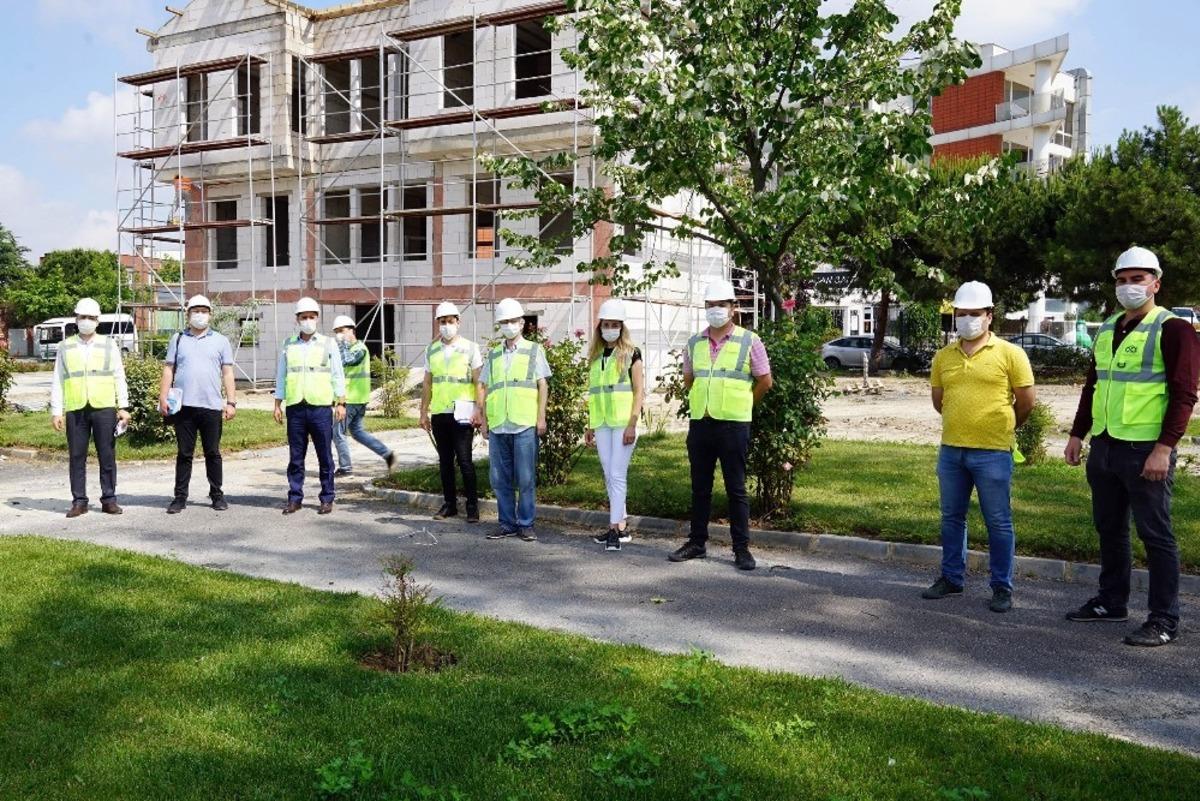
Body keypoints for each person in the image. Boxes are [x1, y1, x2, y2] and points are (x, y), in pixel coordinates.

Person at [1064, 246, 1199, 647]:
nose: (1128, 287)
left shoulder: (1174, 329)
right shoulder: (1108, 327)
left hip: (1145, 450)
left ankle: (1163, 620)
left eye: (1137, 279)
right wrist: (1077, 434)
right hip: (1105, 445)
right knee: (1110, 529)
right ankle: (1112, 601)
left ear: (1155, 283)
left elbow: (1184, 395)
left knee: (1156, 535)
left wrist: (1164, 448)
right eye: (1122, 280)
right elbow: (1093, 386)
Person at [922, 281, 1035, 613]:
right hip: (952, 451)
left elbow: (1026, 402)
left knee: (998, 521)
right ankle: (951, 578)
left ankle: (1001, 586)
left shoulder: (1010, 354)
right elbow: (940, 401)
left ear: (989, 315)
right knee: (951, 518)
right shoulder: (943, 357)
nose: (967, 319)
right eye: (962, 313)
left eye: (975, 313)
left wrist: (1004, 426)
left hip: (993, 452)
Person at [669, 279, 772, 571]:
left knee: (736, 489)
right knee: (700, 488)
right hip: (701, 423)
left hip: (733, 425)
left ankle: (741, 549)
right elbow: (689, 379)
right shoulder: (694, 343)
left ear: (733, 308)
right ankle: (696, 543)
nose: (715, 309)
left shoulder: (749, 341)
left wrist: (745, 403)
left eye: (721, 305)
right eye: (710, 305)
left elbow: (765, 381)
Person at [473, 298, 550, 542]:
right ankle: (506, 523)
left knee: (525, 478)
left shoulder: (534, 350)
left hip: (524, 423)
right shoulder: (494, 354)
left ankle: (526, 524)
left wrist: (541, 417)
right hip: (499, 424)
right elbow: (485, 386)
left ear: (522, 323)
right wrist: (484, 419)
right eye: (504, 322)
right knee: (499, 479)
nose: (508, 325)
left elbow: (542, 385)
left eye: (512, 321)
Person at [50, 297, 132, 517]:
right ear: (76, 319)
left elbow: (119, 375)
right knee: (77, 457)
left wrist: (123, 406)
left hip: (104, 407)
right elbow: (58, 379)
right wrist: (56, 411)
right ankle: (79, 501)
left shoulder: (109, 344)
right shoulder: (65, 346)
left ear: (97, 320)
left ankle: (109, 499)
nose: (86, 321)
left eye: (91, 317)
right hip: (76, 408)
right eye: (82, 317)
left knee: (107, 455)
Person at [158, 295, 237, 514]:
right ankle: (180, 497)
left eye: (204, 311)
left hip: (211, 406)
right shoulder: (178, 339)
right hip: (183, 406)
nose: (200, 315)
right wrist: (163, 396)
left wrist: (231, 402)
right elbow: (169, 369)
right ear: (188, 314)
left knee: (213, 453)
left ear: (210, 314)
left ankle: (217, 495)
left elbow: (227, 372)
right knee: (184, 453)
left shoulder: (221, 341)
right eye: (195, 311)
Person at [273, 297, 346, 515]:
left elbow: (337, 374)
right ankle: (295, 498)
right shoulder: (288, 344)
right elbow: (281, 375)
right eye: (303, 317)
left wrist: (341, 403)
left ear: (317, 318)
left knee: (325, 455)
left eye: (311, 317)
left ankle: (327, 497)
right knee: (296, 456)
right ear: (297, 319)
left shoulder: (328, 343)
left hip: (320, 407)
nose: (307, 320)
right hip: (296, 406)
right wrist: (277, 404)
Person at [584, 298, 644, 552]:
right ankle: (620, 526)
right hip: (602, 423)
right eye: (606, 324)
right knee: (609, 475)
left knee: (617, 475)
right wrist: (590, 425)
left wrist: (632, 424)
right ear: (600, 328)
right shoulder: (596, 357)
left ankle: (613, 530)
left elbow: (639, 391)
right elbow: (594, 393)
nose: (610, 328)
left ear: (621, 326)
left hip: (622, 423)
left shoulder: (632, 353)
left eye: (614, 324)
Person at [419, 301, 482, 522]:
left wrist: (479, 410)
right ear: (438, 323)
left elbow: (478, 382)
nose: (446, 326)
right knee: (445, 462)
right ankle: (449, 504)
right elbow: (427, 383)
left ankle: (472, 506)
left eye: (450, 321)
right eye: (442, 322)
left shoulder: (470, 348)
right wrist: (423, 412)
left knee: (465, 461)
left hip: (463, 413)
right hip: (440, 413)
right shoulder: (431, 350)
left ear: (458, 322)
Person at [330, 314, 398, 478]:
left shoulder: (360, 349)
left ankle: (345, 467)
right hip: (354, 398)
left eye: (342, 331)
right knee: (357, 432)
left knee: (338, 433)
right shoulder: (346, 348)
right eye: (336, 332)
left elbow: (347, 361)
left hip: (352, 399)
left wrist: (341, 345)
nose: (339, 335)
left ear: (352, 330)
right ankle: (388, 455)